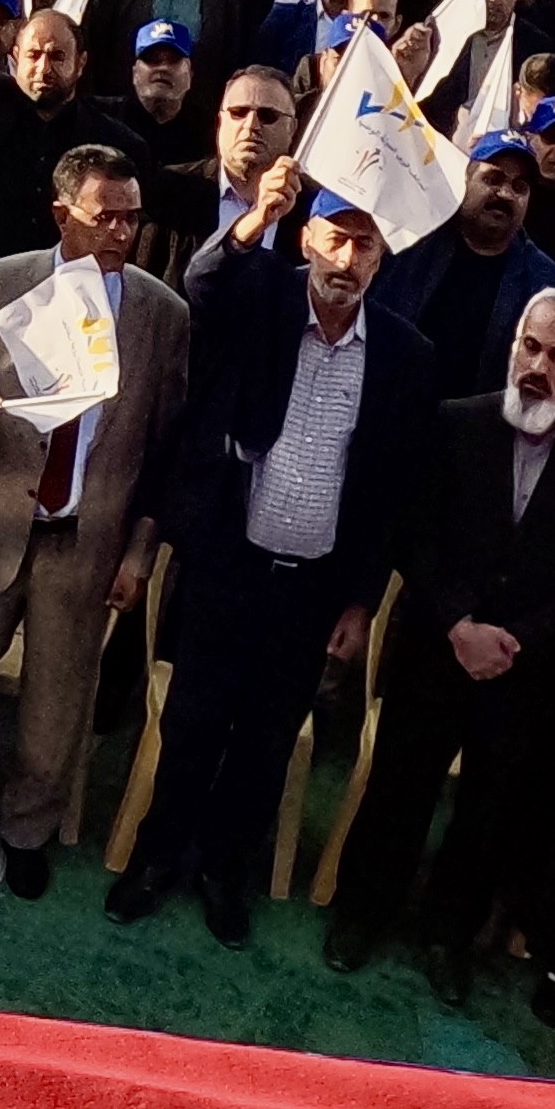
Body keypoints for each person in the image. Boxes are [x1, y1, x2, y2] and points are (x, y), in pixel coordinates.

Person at [113, 192, 433, 943]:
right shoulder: (256, 300)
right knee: (192, 724)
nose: (346, 261)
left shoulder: (404, 354)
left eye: (364, 246)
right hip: (229, 563)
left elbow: (391, 490)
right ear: (306, 238)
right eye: (334, 240)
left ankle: (225, 872)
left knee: (264, 742)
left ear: (381, 258)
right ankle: (158, 859)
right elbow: (203, 282)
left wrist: (358, 602)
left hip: (313, 587)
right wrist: (256, 215)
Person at [0, 142, 194, 890]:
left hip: (85, 539)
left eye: (132, 220)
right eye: (105, 218)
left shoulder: (162, 314)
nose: (121, 234)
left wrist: (138, 551)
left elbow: (164, 450)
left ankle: (27, 828)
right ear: (63, 212)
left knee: (56, 704)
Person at [333, 286, 555, 999]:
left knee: (488, 811)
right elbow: (413, 531)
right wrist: (458, 623)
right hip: (435, 648)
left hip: (525, 671)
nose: (538, 365)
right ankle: (360, 916)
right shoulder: (452, 424)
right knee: (397, 791)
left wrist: (515, 639)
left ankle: (448, 938)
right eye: (529, 347)